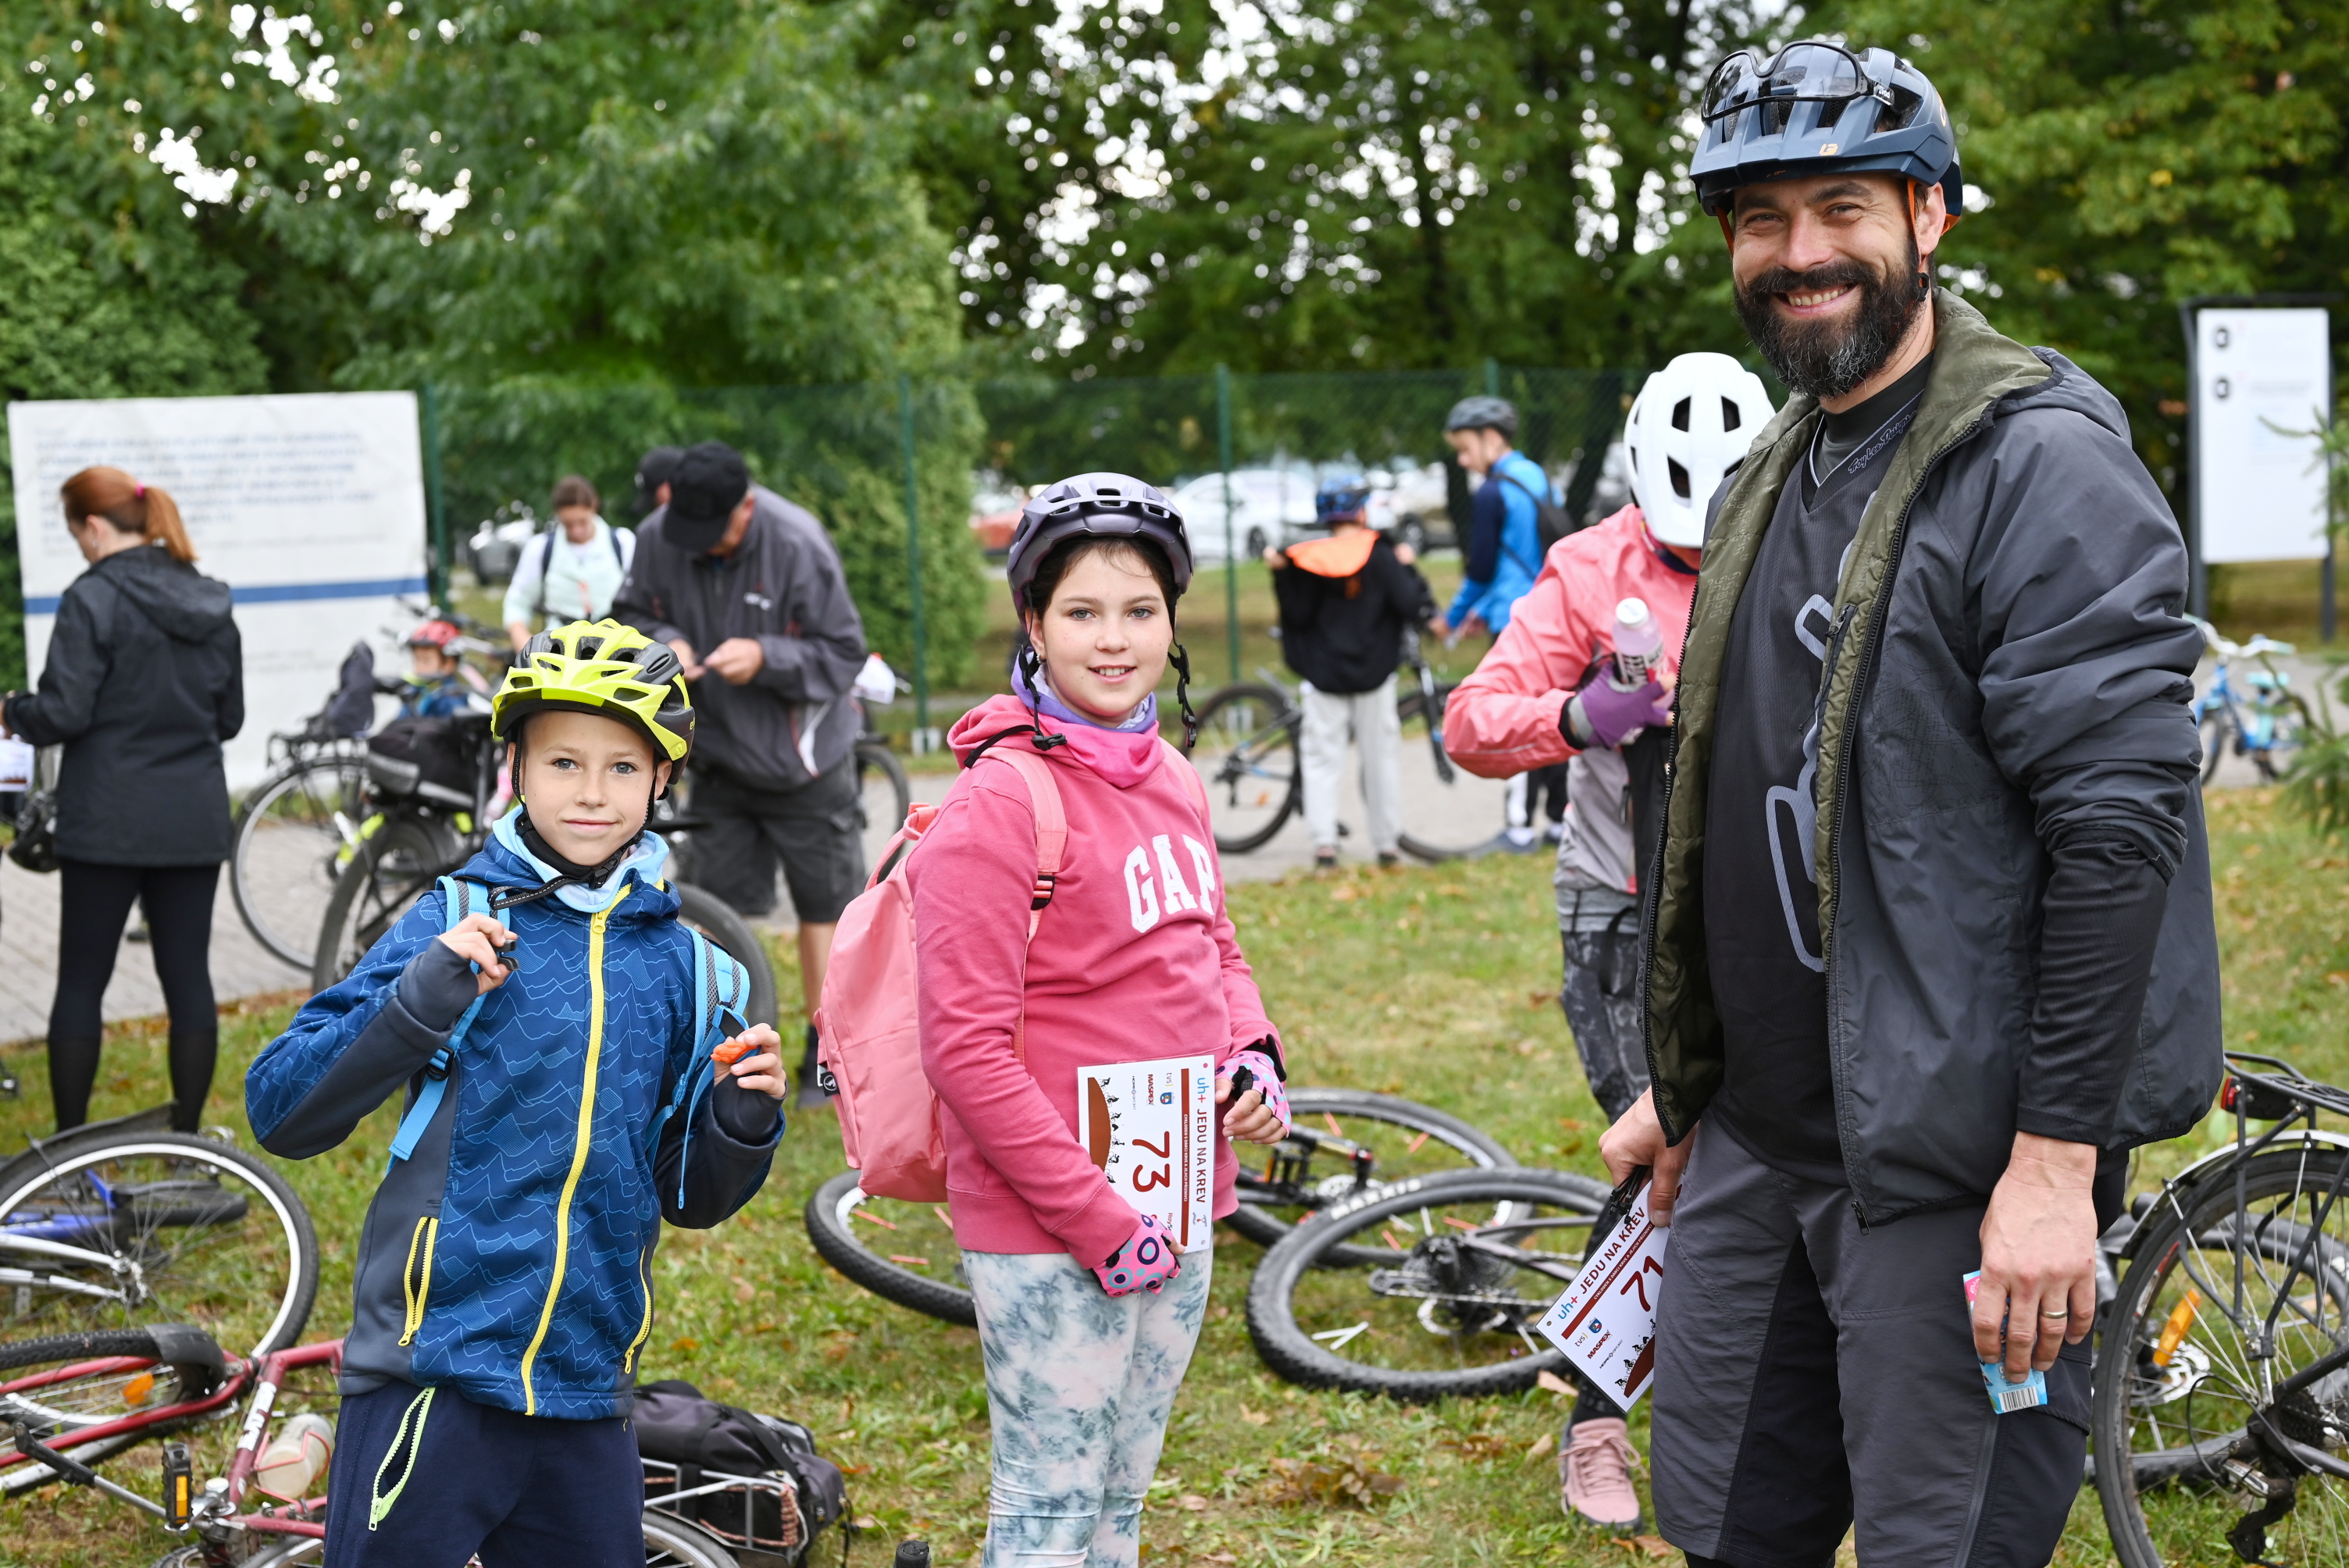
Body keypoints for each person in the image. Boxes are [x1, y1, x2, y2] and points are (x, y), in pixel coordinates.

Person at [1599, 41, 2220, 1563]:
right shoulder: (1768, 469)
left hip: (1957, 1172)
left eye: (1840, 209)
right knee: (1725, 1524)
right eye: (1759, 218)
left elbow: (2116, 833)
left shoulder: (2036, 465)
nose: (1798, 252)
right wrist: (1689, 1083)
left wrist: (2054, 1168)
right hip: (1755, 1144)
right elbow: (1737, 785)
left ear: (1927, 216)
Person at [246, 618, 787, 1568]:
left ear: (663, 778)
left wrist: (741, 1120)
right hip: (430, 1374)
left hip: (587, 1388)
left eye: (622, 767)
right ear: (516, 769)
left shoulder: (698, 972)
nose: (591, 792)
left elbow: (691, 1197)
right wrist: (419, 1000)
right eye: (563, 761)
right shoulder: (453, 918)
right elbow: (281, 1109)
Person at [908, 472, 1290, 1568]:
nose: (1113, 639)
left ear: (1172, 623)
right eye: (1081, 611)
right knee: (1048, 1507)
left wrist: (1253, 1055)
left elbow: (1213, 945)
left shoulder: (1172, 774)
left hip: (1180, 1194)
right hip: (1051, 1219)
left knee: (1121, 1494)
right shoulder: (999, 803)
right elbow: (964, 1053)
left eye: (1139, 611)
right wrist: (1097, 1220)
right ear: (1032, 623)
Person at [1442, 352, 1773, 1533]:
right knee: (1657, 1149)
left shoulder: (1801, 538)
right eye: (1680, 548)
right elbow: (1472, 723)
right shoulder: (1588, 568)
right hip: (1622, 908)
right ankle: (1593, 1424)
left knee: (1750, 1146)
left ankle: (1732, 1385)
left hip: (1752, 898)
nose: (1695, 563)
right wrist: (1582, 714)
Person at [614, 440, 868, 1108]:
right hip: (718, 759)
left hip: (805, 765)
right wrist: (664, 639)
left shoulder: (798, 544)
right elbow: (630, 611)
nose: (699, 545)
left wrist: (766, 656)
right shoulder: (660, 535)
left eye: (714, 532)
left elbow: (844, 652)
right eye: (688, 531)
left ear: (746, 507)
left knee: (825, 909)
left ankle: (825, 1061)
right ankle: (721, 1057)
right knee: (717, 910)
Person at [1, 467, 241, 1133]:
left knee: (82, 981)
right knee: (189, 980)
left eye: (77, 534)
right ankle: (189, 1144)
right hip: (192, 815)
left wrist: (14, 710)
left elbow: (64, 713)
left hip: (105, 818)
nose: (81, 547)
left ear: (94, 528)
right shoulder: (210, 599)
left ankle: (71, 1147)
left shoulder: (90, 598)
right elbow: (230, 719)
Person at [1267, 476, 1437, 871]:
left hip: (1323, 675)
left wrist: (1281, 573)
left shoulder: (1307, 559)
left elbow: (1297, 614)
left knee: (1321, 760)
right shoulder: (1381, 553)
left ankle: (1324, 845)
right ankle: (1387, 844)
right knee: (1380, 760)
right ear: (1361, 512)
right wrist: (1409, 568)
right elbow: (1410, 604)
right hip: (1375, 674)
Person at [1438, 396, 1567, 853]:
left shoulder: (1492, 492)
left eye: (1465, 448)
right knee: (1555, 710)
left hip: (1514, 622)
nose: (1462, 460)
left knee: (1518, 716)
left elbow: (1482, 569)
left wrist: (1452, 618)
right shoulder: (1539, 478)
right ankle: (1558, 821)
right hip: (1553, 613)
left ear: (1491, 438)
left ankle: (1518, 827)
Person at [504, 475, 636, 648]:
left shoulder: (623, 542)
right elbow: (518, 602)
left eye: (582, 522)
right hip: (558, 650)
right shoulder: (540, 548)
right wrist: (526, 647)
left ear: (594, 506)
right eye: (568, 524)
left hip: (615, 647)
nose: (576, 531)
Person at [399, 619, 485, 718]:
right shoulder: (416, 690)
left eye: (426, 661)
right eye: (417, 659)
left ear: (449, 664)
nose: (419, 667)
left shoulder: (451, 699)